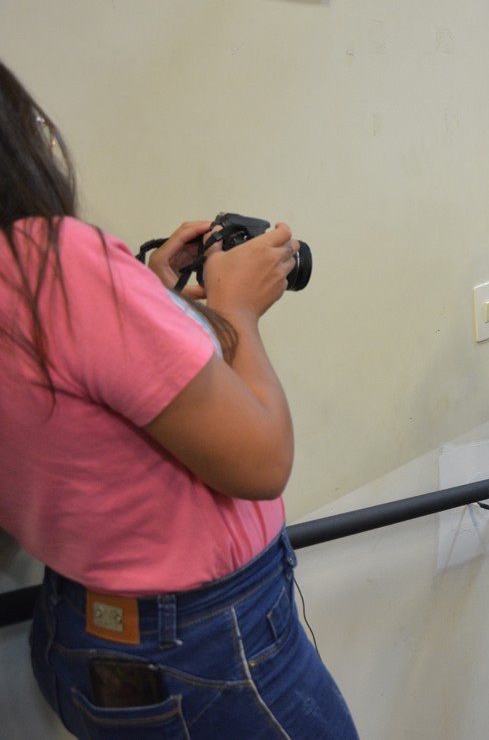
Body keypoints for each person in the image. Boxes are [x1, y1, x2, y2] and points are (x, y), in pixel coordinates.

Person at [0, 59, 357, 739]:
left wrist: (147, 296)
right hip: (199, 648)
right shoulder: (51, 261)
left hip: (79, 627)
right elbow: (262, 462)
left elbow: (66, 401)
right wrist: (237, 311)